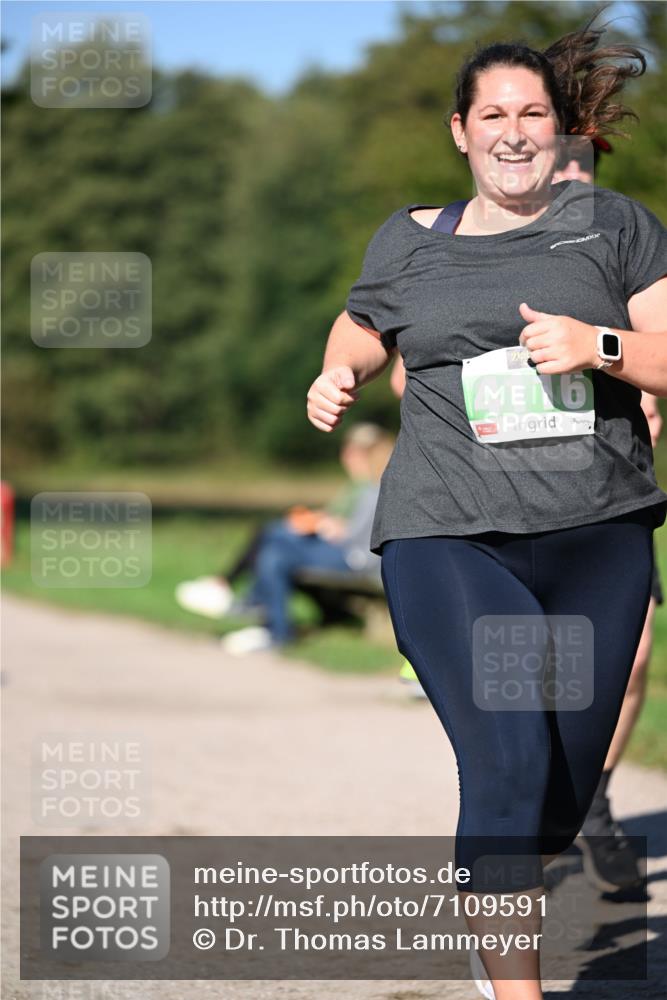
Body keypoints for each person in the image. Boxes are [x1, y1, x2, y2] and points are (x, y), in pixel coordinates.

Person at [307, 18, 667, 1000]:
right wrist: (341, 369)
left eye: (533, 113)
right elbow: (362, 322)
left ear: (561, 132)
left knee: (551, 798)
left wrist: (594, 346)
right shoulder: (410, 236)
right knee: (506, 759)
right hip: (449, 532)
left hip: (596, 539)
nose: (513, 131)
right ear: (460, 130)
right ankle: (517, 986)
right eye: (493, 114)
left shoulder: (617, 228)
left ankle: (497, 887)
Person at [391, 132, 665, 892]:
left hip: (600, 505)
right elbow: (407, 362)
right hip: (478, 508)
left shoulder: (612, 236)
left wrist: (613, 360)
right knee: (510, 727)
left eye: (576, 167)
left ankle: (583, 800)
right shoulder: (455, 249)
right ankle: (512, 844)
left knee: (628, 657)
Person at [177, 423, 393, 654]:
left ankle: (254, 607)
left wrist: (326, 526)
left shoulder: (375, 486)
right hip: (345, 551)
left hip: (356, 558)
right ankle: (269, 621)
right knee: (275, 545)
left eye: (352, 452)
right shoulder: (361, 486)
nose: (346, 457)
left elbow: (359, 536)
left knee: (275, 541)